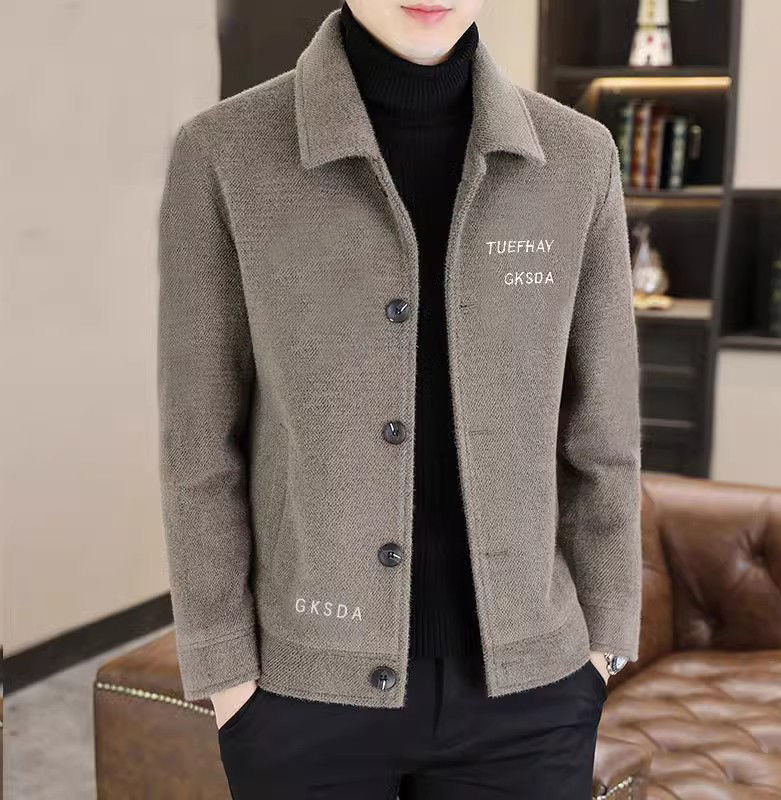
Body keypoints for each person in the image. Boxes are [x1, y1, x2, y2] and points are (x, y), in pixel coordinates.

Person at [156, 2, 642, 798]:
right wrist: (226, 674)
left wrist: (603, 646)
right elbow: (198, 445)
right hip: (301, 699)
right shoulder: (224, 152)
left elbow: (604, 433)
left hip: (534, 700)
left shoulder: (579, 157)